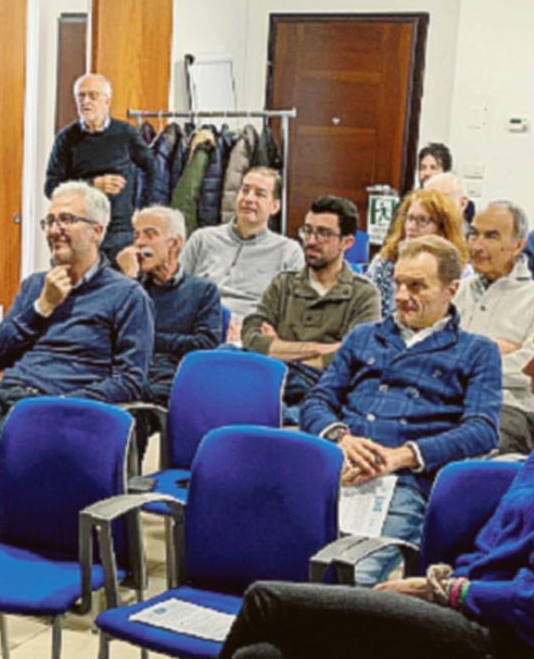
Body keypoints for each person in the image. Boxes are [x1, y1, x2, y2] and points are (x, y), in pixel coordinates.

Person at [199, 296, 534, 659]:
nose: (530, 367)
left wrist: (446, 593)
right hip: (477, 621)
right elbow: (497, 552)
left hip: (522, 656)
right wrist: (447, 587)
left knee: (267, 601)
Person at [0, 181, 153, 548]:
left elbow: (130, 379)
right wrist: (42, 307)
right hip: (10, 389)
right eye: (48, 221)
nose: (53, 230)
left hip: (62, 401)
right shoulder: (36, 286)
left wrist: (68, 403)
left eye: (66, 219)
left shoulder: (126, 296)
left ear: (97, 231)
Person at [299, 236, 502, 586]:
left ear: (450, 289)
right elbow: (317, 400)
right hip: (335, 467)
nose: (402, 296)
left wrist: (402, 456)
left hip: (400, 483)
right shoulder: (364, 336)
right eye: (398, 284)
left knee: (345, 582)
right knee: (275, 563)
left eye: (417, 286)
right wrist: (340, 439)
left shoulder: (476, 351)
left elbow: (483, 429)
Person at [242, 196, 380, 412]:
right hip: (272, 382)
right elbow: (252, 338)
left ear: (347, 242)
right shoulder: (283, 283)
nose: (312, 241)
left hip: (323, 392)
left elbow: (354, 357)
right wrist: (318, 349)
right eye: (307, 231)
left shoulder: (363, 294)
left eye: (323, 233)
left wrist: (279, 349)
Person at [115, 205, 223, 460]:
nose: (139, 244)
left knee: (131, 402)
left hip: (170, 378)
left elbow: (206, 344)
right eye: (136, 235)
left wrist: (149, 340)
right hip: (127, 370)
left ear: (175, 243)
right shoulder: (130, 286)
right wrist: (129, 280)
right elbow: (113, 334)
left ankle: (122, 485)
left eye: (149, 234)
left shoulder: (203, 291)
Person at [457, 201, 534, 454]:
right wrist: (493, 351)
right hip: (443, 403)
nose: (477, 246)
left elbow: (533, 368)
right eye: (474, 234)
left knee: (472, 447)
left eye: (491, 236)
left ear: (519, 245)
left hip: (507, 410)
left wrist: (462, 363)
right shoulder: (455, 292)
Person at [43, 73, 153, 262]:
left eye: (93, 96)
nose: (86, 102)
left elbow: (152, 171)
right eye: (81, 96)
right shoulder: (66, 138)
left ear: (107, 101)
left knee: (119, 289)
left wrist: (141, 210)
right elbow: (51, 187)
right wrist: (92, 185)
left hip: (118, 232)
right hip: (77, 232)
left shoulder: (126, 134)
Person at [181, 166, 305, 332]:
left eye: (260, 194)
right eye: (245, 190)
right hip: (197, 327)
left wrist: (248, 330)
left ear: (275, 206)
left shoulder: (289, 251)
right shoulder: (202, 238)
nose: (249, 199)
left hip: (250, 333)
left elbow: (294, 312)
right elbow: (177, 290)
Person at [366, 188, 470, 319]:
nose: (412, 226)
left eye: (422, 220)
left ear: (443, 228)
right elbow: (367, 309)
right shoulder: (385, 261)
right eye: (410, 218)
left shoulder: (461, 271)